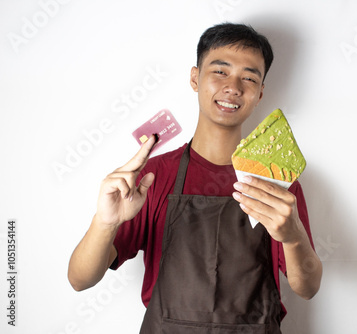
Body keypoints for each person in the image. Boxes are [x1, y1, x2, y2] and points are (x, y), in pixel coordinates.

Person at [68, 22, 322, 333]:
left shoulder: (278, 181)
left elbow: (307, 288)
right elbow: (80, 280)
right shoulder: (153, 176)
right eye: (220, 71)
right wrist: (105, 222)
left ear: (260, 93)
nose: (233, 87)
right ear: (194, 78)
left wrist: (293, 236)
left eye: (249, 77)